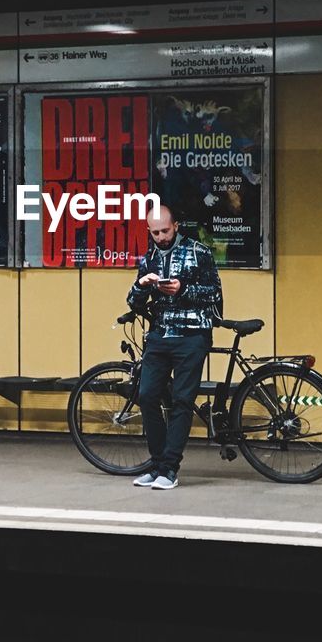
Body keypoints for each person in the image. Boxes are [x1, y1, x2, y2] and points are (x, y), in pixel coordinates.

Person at [126, 204, 222, 490]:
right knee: (146, 396)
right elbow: (133, 302)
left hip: (192, 335)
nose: (161, 237)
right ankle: (157, 465)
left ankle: (169, 469)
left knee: (181, 400)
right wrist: (143, 285)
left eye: (165, 230)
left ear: (176, 226)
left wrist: (183, 288)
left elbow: (214, 294)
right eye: (155, 232)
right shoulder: (150, 256)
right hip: (159, 335)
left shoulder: (199, 252)